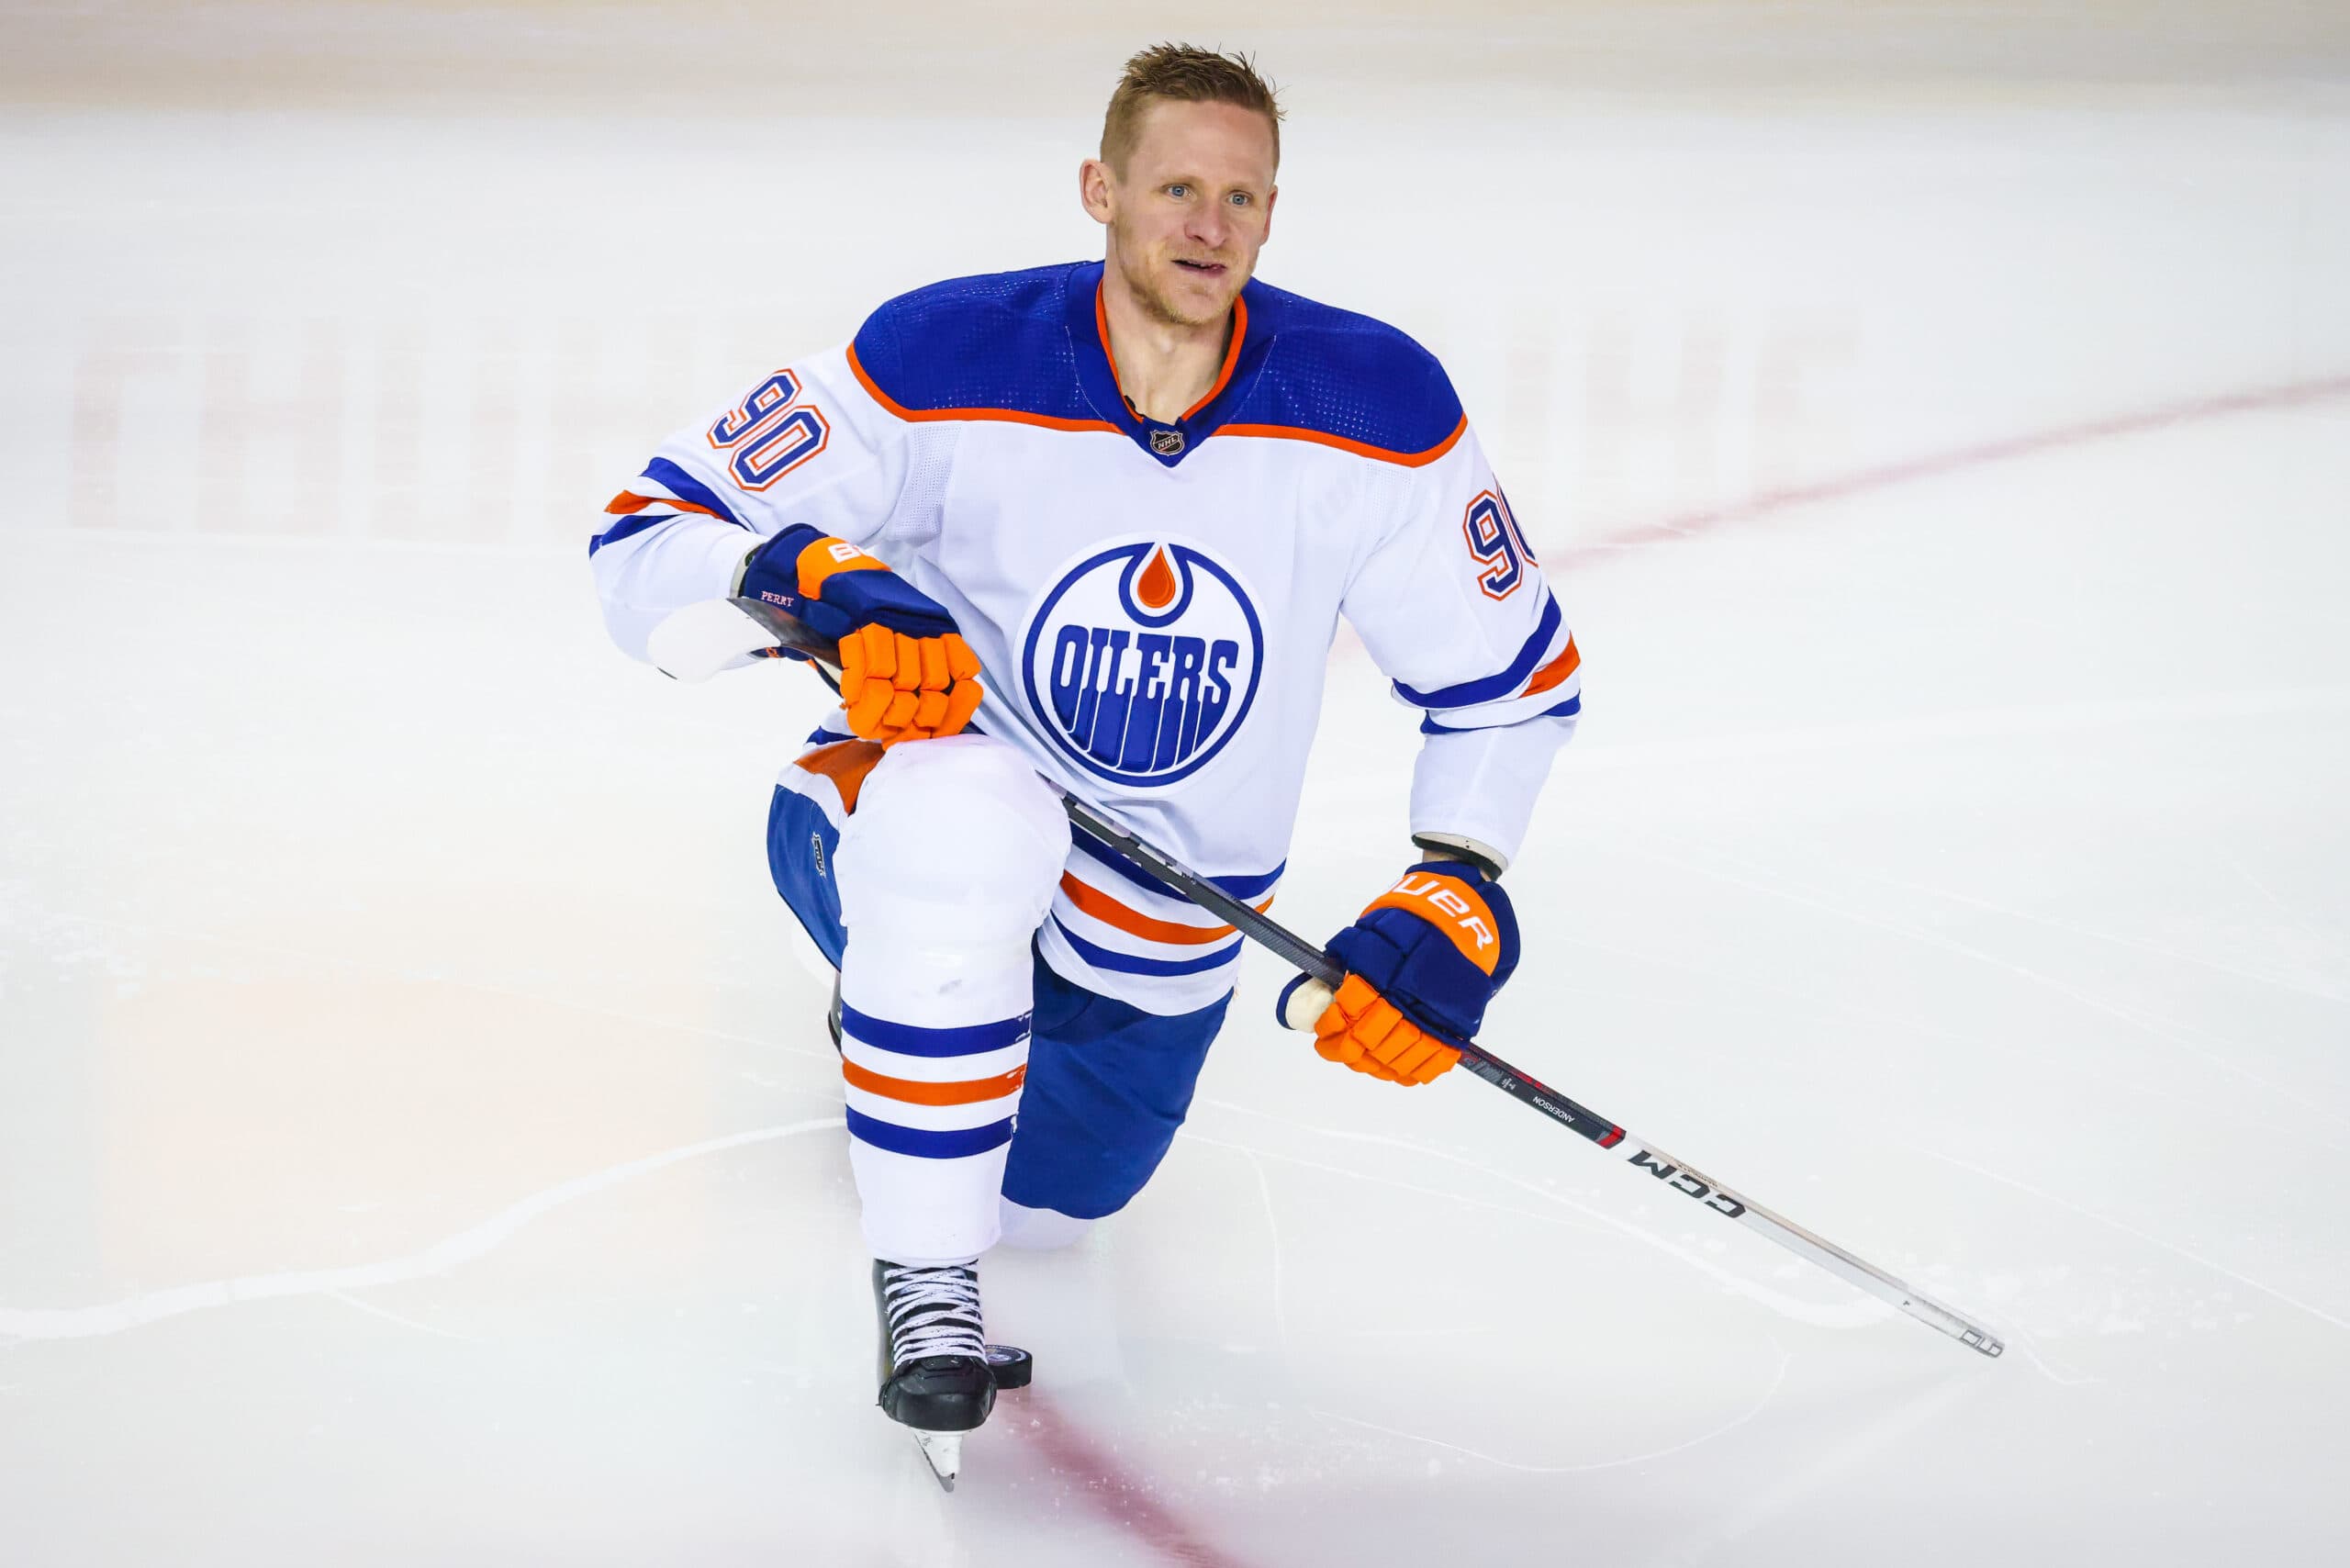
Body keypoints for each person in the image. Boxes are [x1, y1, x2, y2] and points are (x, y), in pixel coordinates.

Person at [589, 43, 1580, 1472]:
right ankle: (926, 1278)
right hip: (902, 802)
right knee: (967, 825)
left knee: (1055, 1207)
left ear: (1270, 216)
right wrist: (817, 578)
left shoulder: (1377, 407)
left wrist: (1461, 882)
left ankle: (915, 1028)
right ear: (1100, 190)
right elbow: (643, 538)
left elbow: (1513, 683)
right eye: (1176, 185)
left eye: (1241, 197)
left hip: (1165, 904)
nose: (1206, 223)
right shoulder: (944, 357)